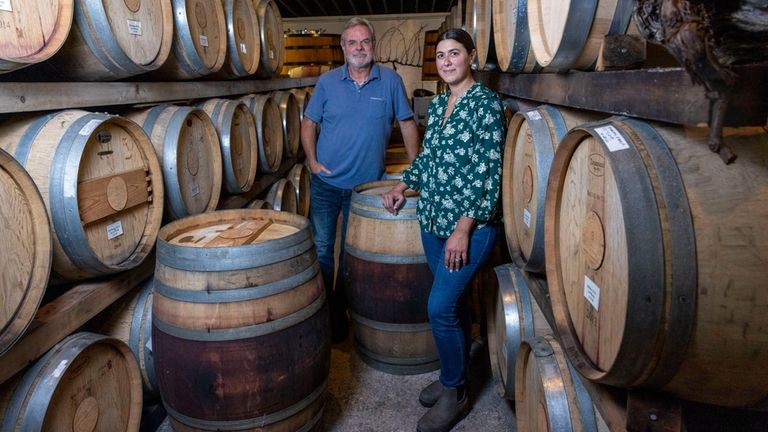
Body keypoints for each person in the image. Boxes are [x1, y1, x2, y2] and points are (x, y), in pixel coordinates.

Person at [382, 28, 505, 432]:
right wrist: (403, 184)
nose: (447, 61)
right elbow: (429, 161)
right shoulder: (438, 105)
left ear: (471, 56)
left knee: (439, 307)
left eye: (454, 53)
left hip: (466, 227)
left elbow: (488, 172)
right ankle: (458, 370)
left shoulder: (486, 105)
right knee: (452, 307)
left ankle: (456, 392)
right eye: (440, 56)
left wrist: (464, 228)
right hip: (432, 220)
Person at [301, 17, 420, 342]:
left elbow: (408, 124)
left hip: (365, 189)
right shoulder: (326, 83)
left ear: (373, 46)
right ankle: (326, 315)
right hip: (326, 185)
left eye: (365, 42)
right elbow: (309, 123)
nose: (359, 48)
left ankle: (344, 315)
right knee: (324, 250)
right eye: (352, 43)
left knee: (352, 255)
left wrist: (417, 168)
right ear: (343, 48)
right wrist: (312, 162)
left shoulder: (391, 81)